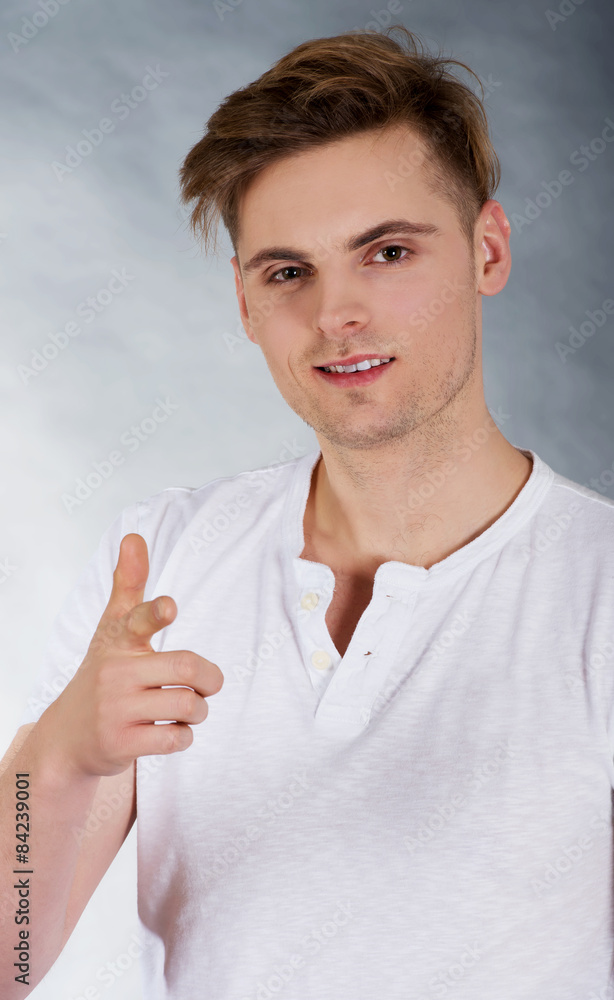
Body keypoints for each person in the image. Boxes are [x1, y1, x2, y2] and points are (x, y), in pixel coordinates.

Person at [2, 23, 613, 1000]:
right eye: (288, 271)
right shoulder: (158, 568)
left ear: (487, 249)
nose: (336, 315)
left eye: (387, 252)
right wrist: (65, 757)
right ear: (246, 304)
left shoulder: (597, 590)